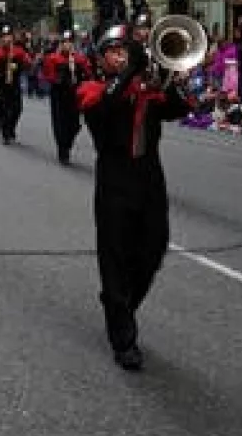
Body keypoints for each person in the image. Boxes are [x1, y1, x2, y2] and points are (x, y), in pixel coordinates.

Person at [77, 25, 193, 371]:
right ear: (101, 59)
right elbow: (103, 109)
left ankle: (120, 304)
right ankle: (123, 339)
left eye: (125, 51)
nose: (120, 56)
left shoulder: (146, 89)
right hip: (114, 178)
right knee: (115, 255)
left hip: (150, 177)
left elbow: (179, 109)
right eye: (113, 52)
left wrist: (170, 78)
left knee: (154, 247)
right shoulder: (92, 88)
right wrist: (130, 72)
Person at [42, 32, 91, 164]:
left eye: (70, 42)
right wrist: (58, 79)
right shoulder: (53, 58)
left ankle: (67, 143)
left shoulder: (79, 59)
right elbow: (48, 74)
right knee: (60, 122)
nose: (67, 45)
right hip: (59, 94)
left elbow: (88, 73)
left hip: (74, 94)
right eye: (65, 42)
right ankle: (63, 150)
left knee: (75, 124)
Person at [0, 27, 32, 144]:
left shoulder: (18, 51)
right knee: (4, 108)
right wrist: (0, 71)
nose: (6, 39)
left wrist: (19, 66)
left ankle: (11, 127)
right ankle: (5, 133)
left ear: (12, 38)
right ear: (1, 39)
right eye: (4, 37)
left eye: (9, 36)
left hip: (15, 82)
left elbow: (27, 63)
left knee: (17, 108)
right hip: (3, 83)